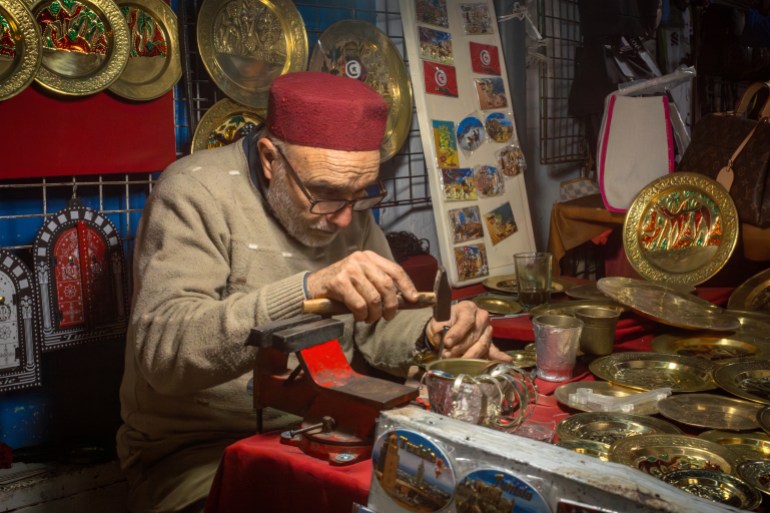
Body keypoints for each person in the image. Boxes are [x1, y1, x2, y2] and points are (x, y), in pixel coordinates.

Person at [117, 71, 510, 513]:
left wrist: (435, 334)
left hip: (329, 429)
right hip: (202, 452)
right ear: (270, 159)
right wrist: (308, 289)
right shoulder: (193, 193)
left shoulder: (345, 204)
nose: (344, 219)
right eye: (325, 194)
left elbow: (380, 324)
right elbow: (164, 355)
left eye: (360, 195)